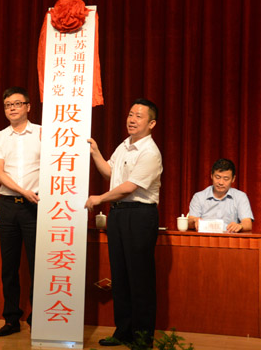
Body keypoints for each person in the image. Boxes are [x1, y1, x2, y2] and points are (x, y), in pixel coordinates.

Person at [85, 98, 162, 347]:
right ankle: (123, 332)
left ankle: (142, 338)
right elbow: (111, 173)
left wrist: (100, 198)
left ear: (151, 123)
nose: (132, 119)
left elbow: (129, 187)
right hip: (118, 214)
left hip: (139, 216)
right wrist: (95, 152)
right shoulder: (124, 145)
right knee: (120, 276)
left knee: (139, 278)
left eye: (139, 116)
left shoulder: (150, 152)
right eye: (130, 114)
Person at [0, 86, 41, 337]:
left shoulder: (43, 133)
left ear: (28, 107)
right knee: (9, 265)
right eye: (8, 105)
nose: (12, 108)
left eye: (17, 104)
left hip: (36, 206)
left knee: (37, 264)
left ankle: (37, 317)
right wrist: (23, 191)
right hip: (8, 205)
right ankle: (11, 318)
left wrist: (33, 195)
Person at [187, 158, 253, 233]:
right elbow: (190, 222)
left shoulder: (240, 197)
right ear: (211, 176)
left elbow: (247, 223)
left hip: (230, 238)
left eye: (226, 179)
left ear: (233, 179)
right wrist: (194, 220)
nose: (221, 182)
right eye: (217, 177)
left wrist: (240, 226)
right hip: (204, 238)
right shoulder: (199, 197)